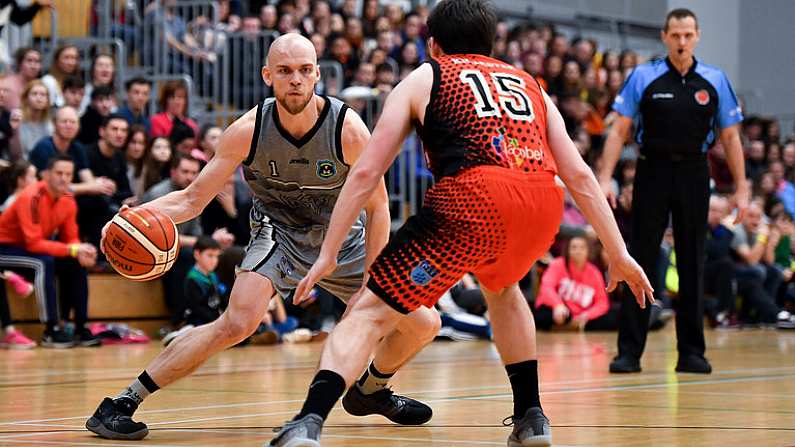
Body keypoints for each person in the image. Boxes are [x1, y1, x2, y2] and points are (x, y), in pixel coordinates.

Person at [268, 1, 652, 445]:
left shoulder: (429, 75)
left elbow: (368, 173)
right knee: (504, 291)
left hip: (474, 200)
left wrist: (330, 252)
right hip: (541, 203)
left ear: (433, 43)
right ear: (492, 43)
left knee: (369, 312)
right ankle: (531, 418)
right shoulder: (530, 84)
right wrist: (618, 252)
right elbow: (581, 176)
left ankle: (308, 422)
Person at [85, 33, 439, 441]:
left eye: (305, 71)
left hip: (344, 241)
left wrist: (369, 283)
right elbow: (192, 200)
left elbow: (378, 208)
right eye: (285, 71)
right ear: (268, 75)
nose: (296, 80)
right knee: (237, 323)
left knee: (424, 322)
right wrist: (131, 217)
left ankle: (372, 390)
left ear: (317, 75)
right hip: (279, 233)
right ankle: (122, 402)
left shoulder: (348, 129)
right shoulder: (247, 130)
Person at [598, 8, 748, 374]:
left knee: (694, 258)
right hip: (652, 170)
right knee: (641, 258)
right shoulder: (644, 76)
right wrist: (604, 177)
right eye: (675, 35)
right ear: (664, 37)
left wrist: (742, 188)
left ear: (696, 36)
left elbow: (730, 137)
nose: (682, 42)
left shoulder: (714, 80)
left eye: (688, 35)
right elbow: (618, 131)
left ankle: (692, 352)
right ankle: (629, 352)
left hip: (695, 172)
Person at [0, 154, 99, 348]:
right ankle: (51, 330)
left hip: (26, 250)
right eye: (59, 173)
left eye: (69, 174)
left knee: (75, 262)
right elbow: (34, 244)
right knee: (43, 262)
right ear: (46, 175)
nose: (64, 178)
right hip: (4, 248)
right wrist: (72, 248)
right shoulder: (31, 196)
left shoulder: (68, 199)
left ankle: (80, 327)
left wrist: (80, 251)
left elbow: (71, 237)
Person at [534, 236, 617, 331]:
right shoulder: (557, 265)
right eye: (574, 247)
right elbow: (546, 288)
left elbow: (602, 302)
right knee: (542, 315)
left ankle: (569, 327)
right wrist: (557, 305)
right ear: (567, 250)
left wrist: (586, 316)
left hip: (583, 316)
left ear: (588, 251)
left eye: (582, 247)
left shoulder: (594, 272)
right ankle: (565, 326)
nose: (578, 250)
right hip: (560, 311)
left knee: (612, 317)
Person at [162, 236, 226, 346]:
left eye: (216, 256)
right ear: (197, 254)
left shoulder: (213, 276)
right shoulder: (192, 279)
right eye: (210, 256)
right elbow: (196, 307)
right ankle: (181, 335)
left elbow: (220, 299)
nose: (214, 260)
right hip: (198, 321)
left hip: (213, 320)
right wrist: (217, 320)